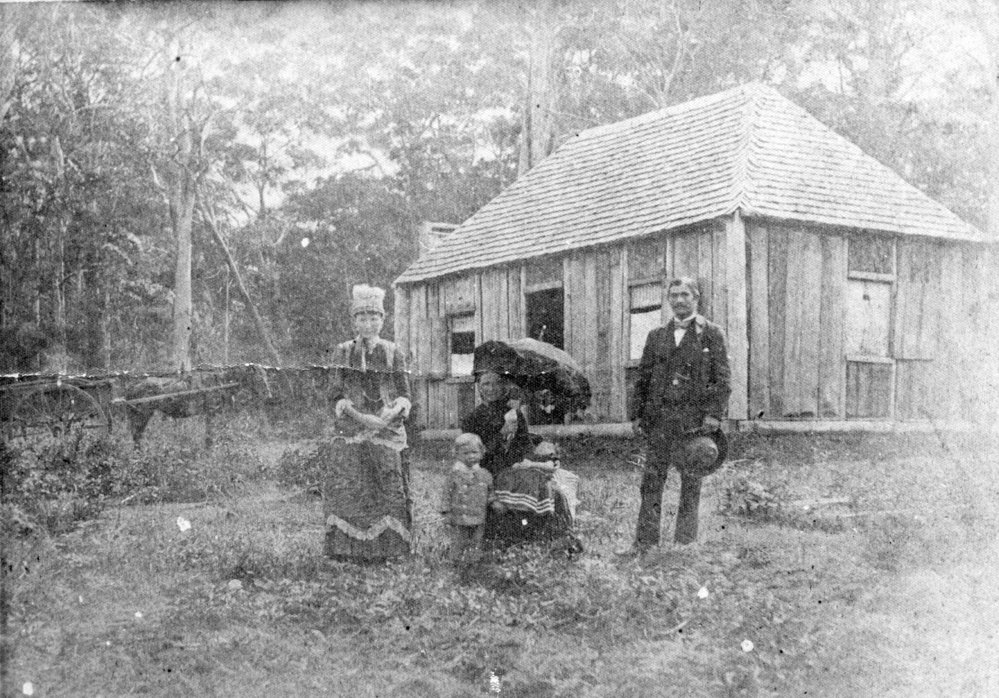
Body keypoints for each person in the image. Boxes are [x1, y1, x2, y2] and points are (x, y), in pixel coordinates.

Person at [629, 276, 731, 549]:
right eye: (674, 295)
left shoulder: (711, 333)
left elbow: (722, 380)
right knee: (652, 480)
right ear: (668, 300)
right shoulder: (656, 336)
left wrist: (713, 415)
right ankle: (645, 543)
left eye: (685, 294)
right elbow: (643, 378)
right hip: (659, 420)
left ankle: (684, 543)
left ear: (696, 298)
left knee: (691, 481)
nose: (679, 300)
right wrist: (637, 414)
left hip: (693, 422)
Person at [321, 284, 413, 562]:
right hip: (352, 426)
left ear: (383, 320)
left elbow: (404, 392)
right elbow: (335, 393)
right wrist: (362, 417)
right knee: (352, 485)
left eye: (374, 318)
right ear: (354, 321)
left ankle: (389, 549)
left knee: (387, 486)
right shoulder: (343, 352)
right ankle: (348, 550)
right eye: (363, 318)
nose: (369, 324)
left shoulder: (393, 351)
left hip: (388, 428)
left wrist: (393, 410)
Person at [460, 371, 533, 478]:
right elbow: (474, 455)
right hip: (486, 473)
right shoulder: (472, 418)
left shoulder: (515, 414)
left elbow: (526, 445)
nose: (491, 389)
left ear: (503, 386)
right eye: (486, 384)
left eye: (496, 383)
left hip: (517, 469)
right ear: (479, 388)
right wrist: (503, 433)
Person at [440, 433, 493, 565]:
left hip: (479, 516)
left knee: (476, 541)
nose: (471, 456)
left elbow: (491, 491)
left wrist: (494, 501)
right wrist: (446, 512)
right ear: (457, 454)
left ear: (481, 453)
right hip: (459, 516)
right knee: (458, 540)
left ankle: (473, 564)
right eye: (465, 453)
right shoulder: (455, 474)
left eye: (474, 452)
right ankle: (456, 563)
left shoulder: (485, 474)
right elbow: (447, 493)